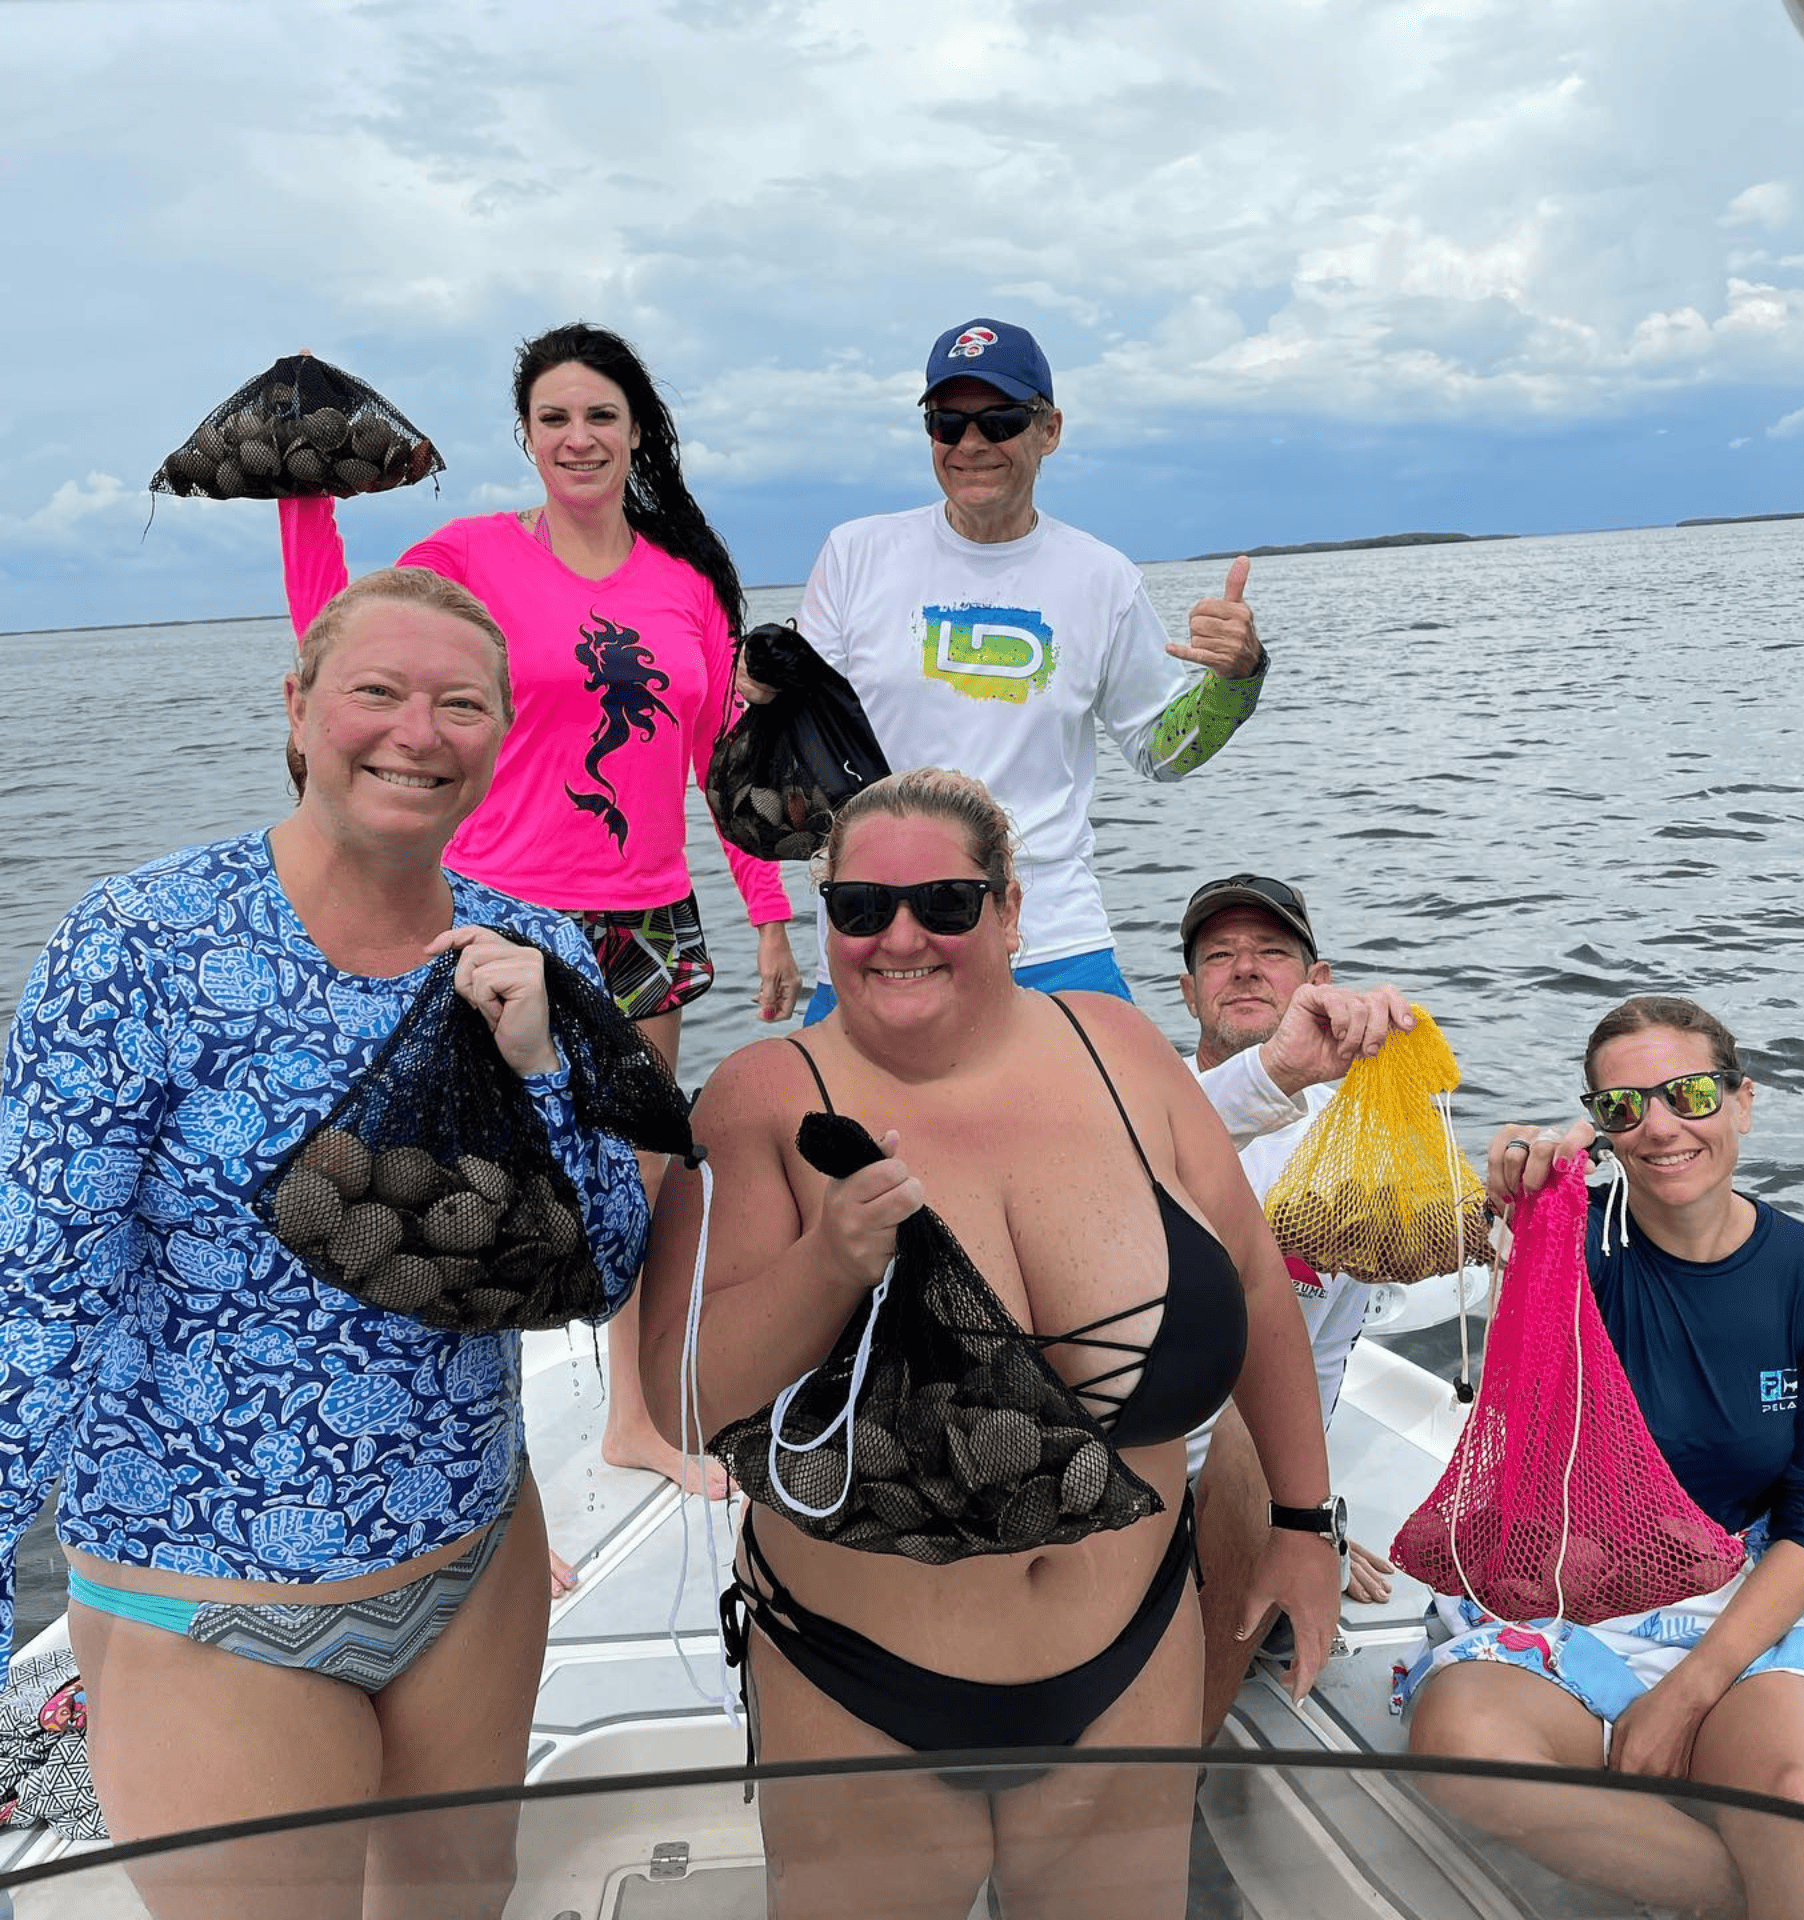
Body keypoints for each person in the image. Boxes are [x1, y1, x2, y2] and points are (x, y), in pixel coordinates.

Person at [0, 568, 650, 1919]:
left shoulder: (530, 946)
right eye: (377, 692)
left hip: (472, 1559)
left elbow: (604, 1263)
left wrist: (535, 1069)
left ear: (499, 738)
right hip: (211, 1598)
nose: (417, 732)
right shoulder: (137, 950)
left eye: (460, 704)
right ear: (298, 711)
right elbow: (32, 1303)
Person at [637, 768, 1343, 1919]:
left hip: (1134, 1655)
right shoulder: (764, 1097)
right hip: (855, 1683)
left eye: (945, 905)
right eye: (861, 908)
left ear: (1012, 912)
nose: (899, 935)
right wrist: (828, 1267)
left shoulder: (1120, 1052)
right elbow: (680, 1397)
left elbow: (1258, 1284)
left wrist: (1308, 1528)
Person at [281, 323, 797, 1561]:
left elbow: (725, 769)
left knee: (638, 1180)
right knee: (477, 1194)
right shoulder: (466, 559)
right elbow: (345, 644)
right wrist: (305, 503)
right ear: (526, 437)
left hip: (647, 917)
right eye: (554, 418)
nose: (578, 438)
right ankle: (488, 1492)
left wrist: (771, 917)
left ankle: (629, 1414)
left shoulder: (681, 586)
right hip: (493, 914)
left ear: (637, 434)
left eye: (601, 417)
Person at [1401, 995, 1804, 1920]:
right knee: (1458, 1746)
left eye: (1690, 1094)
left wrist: (1688, 1695)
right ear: (1598, 1129)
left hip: (1732, 1608)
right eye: (1625, 1107)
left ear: (1743, 1101)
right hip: (1562, 1591)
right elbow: (1442, 1248)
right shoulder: (1571, 1247)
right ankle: (1770, 1897)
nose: (1663, 1127)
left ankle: (1792, 1880)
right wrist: (1502, 1198)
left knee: (1795, 1790)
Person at [747, 317, 1269, 1021]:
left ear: (1049, 429)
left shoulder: (1101, 577)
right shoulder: (855, 554)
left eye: (999, 420)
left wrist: (1236, 680)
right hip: (877, 934)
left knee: (1122, 1120)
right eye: (946, 423)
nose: (971, 444)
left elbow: (1162, 752)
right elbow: (795, 760)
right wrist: (762, 693)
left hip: (1052, 938)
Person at [1171, 872, 1422, 1740]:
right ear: (1187, 990)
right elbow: (1142, 1152)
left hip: (1246, 1478)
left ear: (1319, 985)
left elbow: (1320, 1356)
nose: (1245, 970)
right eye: (1221, 957)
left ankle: (1179, 1760)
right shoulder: (1135, 1101)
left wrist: (1307, 1521)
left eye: (1272, 954)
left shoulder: (1351, 1141)